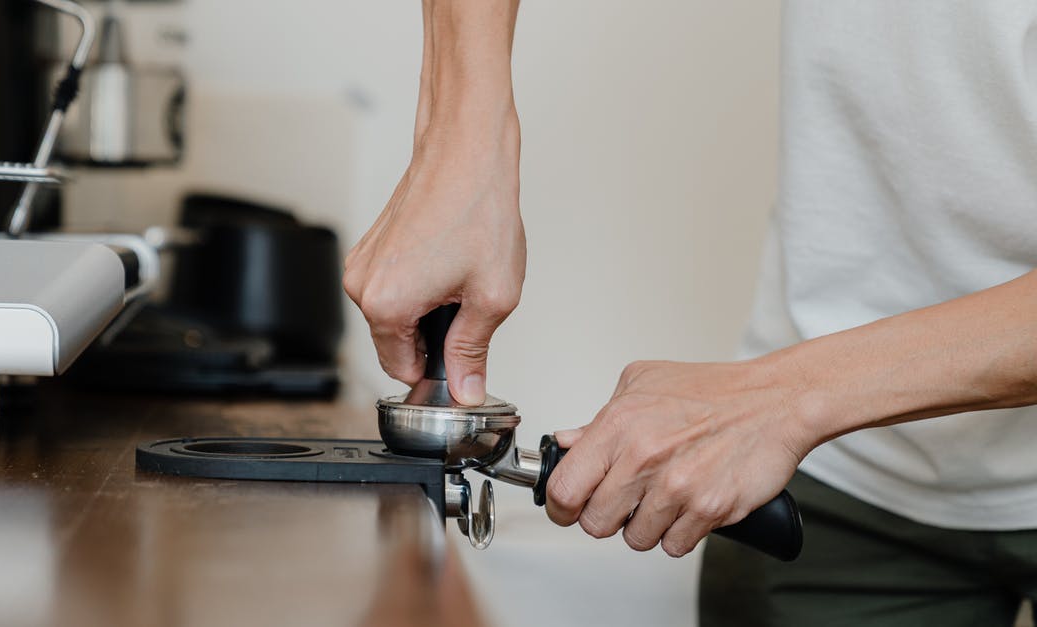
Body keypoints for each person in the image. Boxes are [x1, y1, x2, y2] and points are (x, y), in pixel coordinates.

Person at [343, 2, 1037, 625]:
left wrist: (784, 397)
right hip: (840, 480)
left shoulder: (786, 406)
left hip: (807, 418)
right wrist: (459, 135)